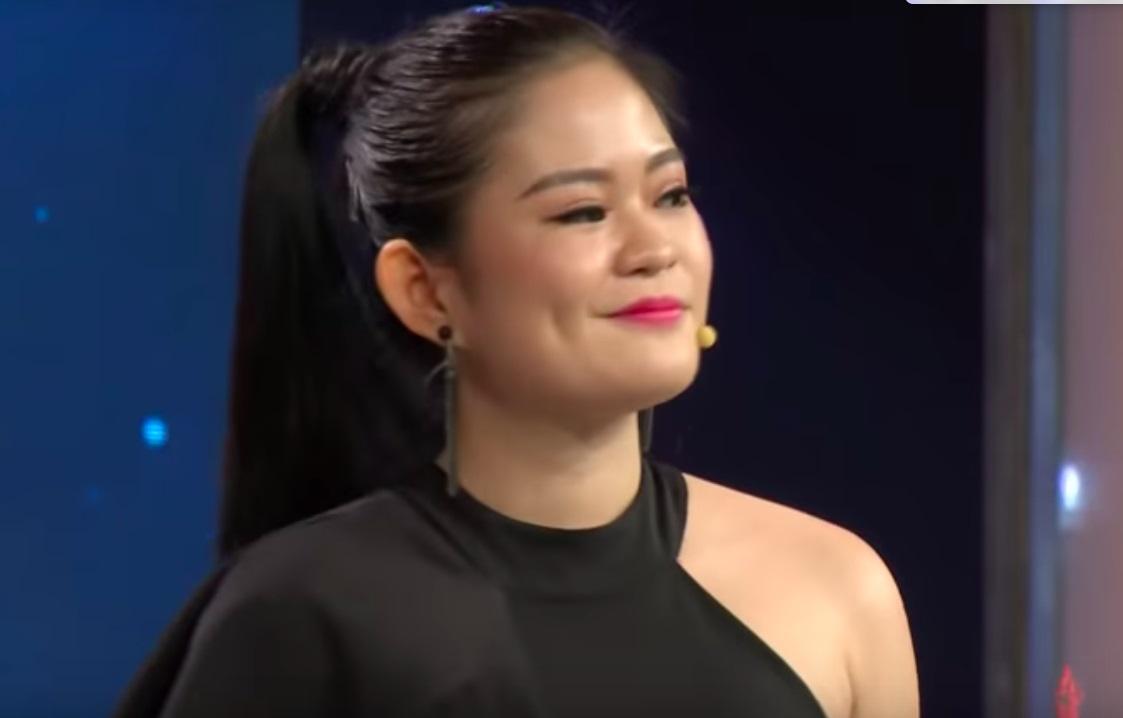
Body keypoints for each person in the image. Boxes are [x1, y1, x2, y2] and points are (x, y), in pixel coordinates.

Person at [115, 5, 918, 717]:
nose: (653, 249)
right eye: (582, 211)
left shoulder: (838, 591)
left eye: (670, 195)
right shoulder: (301, 616)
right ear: (424, 290)